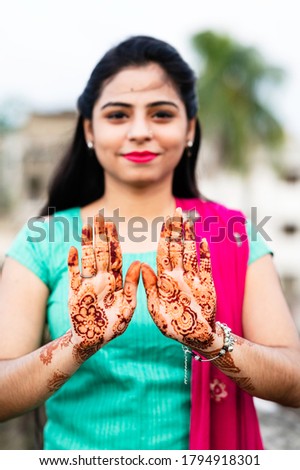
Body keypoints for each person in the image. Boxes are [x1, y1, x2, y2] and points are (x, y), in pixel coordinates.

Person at [0, 35, 300, 451]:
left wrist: (209, 339)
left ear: (190, 128)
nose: (140, 132)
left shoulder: (230, 234)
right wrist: (78, 342)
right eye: (118, 115)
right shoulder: (43, 240)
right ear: (90, 128)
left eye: (161, 114)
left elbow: (294, 380)